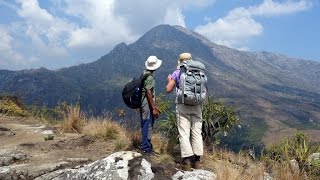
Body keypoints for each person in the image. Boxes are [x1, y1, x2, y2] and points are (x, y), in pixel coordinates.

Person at [166, 52, 203, 171]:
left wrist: (170, 79)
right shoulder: (199, 72)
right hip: (197, 105)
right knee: (197, 132)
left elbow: (168, 89)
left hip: (182, 105)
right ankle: (197, 161)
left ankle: (186, 161)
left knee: (184, 132)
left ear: (179, 61)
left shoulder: (178, 72)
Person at [139, 55, 162, 155]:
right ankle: (145, 147)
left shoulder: (144, 74)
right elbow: (149, 92)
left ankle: (146, 145)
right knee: (147, 124)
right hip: (146, 105)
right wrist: (153, 108)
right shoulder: (150, 77)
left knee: (145, 123)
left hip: (142, 103)